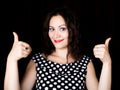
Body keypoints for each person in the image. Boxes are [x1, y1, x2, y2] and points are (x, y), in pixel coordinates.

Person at [4, 7, 112, 90]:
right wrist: (11, 60)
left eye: (62, 29)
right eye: (52, 29)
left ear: (72, 30)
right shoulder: (38, 61)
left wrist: (107, 63)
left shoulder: (85, 63)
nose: (55, 35)